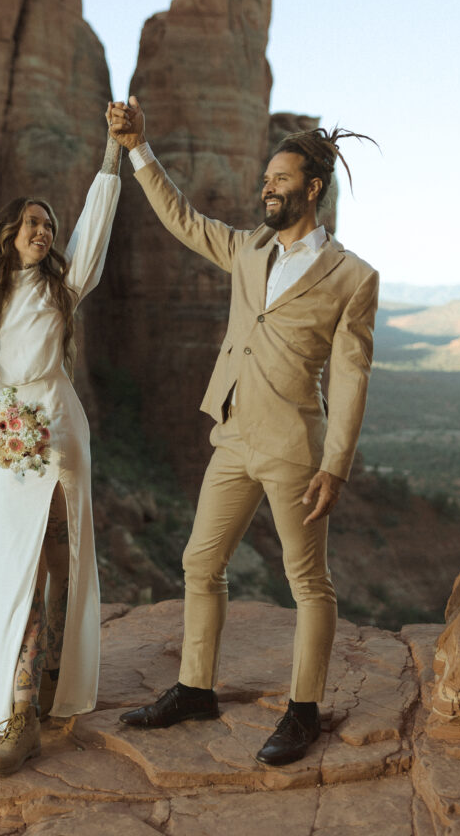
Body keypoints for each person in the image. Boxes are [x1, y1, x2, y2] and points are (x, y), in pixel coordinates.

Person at [108, 96, 379, 766]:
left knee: (307, 581)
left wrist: (335, 465)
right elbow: (182, 220)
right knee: (200, 563)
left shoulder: (352, 277)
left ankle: (302, 711)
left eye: (278, 181)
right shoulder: (249, 248)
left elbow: (349, 377)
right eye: (264, 180)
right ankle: (194, 688)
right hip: (231, 435)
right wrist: (138, 147)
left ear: (310, 190)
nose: (265, 189)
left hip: (293, 446)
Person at [0, 135, 124, 776]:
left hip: (61, 433)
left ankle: (41, 695)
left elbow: (93, 233)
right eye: (34, 222)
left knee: (60, 555)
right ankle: (21, 709)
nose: (45, 230)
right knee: (24, 567)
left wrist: (112, 159)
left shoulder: (63, 286)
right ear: (10, 231)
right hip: (12, 442)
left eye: (50, 224)